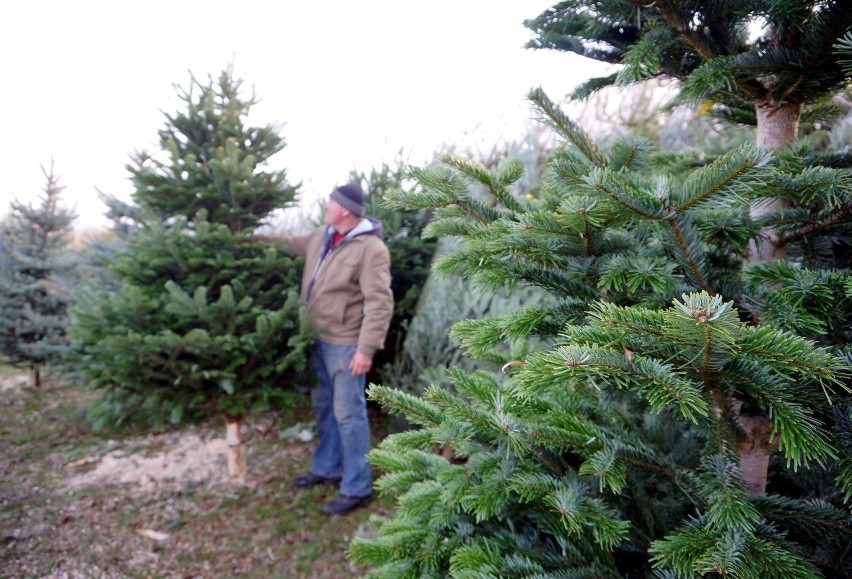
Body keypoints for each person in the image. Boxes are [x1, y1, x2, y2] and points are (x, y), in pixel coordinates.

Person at [281, 183, 393, 516]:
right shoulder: (323, 235)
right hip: (316, 337)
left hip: (346, 345)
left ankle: (358, 486)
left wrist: (366, 349)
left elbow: (380, 302)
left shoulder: (371, 248)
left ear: (344, 209)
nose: (326, 206)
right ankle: (328, 467)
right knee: (323, 407)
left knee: (349, 414)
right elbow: (289, 244)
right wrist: (247, 240)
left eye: (330, 202)